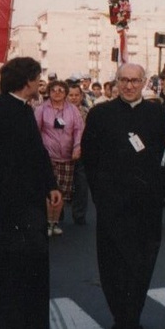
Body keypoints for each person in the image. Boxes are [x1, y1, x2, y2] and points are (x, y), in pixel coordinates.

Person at [0, 57, 62, 329]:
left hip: (26, 208)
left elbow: (37, 154)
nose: (40, 82)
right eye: (37, 77)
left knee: (26, 273)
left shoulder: (25, 110)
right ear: (28, 81)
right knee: (1, 277)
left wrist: (51, 185)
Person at [82, 63, 165, 329]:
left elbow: (156, 152)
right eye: (124, 80)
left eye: (135, 80)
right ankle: (123, 318)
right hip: (112, 204)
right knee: (113, 264)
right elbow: (90, 157)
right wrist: (101, 195)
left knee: (142, 263)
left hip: (146, 204)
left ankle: (132, 316)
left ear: (144, 83)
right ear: (116, 82)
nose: (129, 86)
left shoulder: (156, 112)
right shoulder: (100, 114)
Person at [35, 80, 84, 236]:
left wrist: (77, 147)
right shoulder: (41, 109)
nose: (57, 93)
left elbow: (78, 130)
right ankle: (47, 222)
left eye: (61, 90)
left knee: (61, 191)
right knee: (50, 190)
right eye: (54, 90)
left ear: (65, 93)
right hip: (47, 156)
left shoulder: (73, 110)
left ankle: (55, 223)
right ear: (49, 92)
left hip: (67, 156)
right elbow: (35, 130)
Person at [67, 83, 90, 225]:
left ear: (81, 96)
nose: (74, 98)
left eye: (77, 95)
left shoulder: (87, 112)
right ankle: (58, 214)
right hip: (63, 152)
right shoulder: (60, 111)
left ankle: (79, 214)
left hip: (82, 151)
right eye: (71, 95)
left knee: (81, 184)